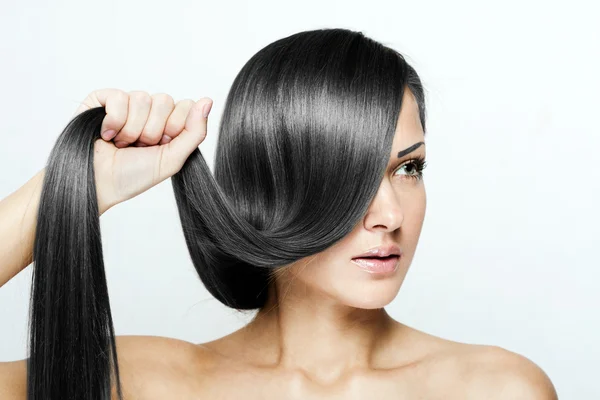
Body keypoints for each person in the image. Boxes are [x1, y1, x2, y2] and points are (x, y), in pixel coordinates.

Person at [0, 28, 557, 399]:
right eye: (349, 175)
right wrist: (75, 187)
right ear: (265, 184)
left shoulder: (497, 388)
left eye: (407, 169)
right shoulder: (142, 384)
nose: (389, 214)